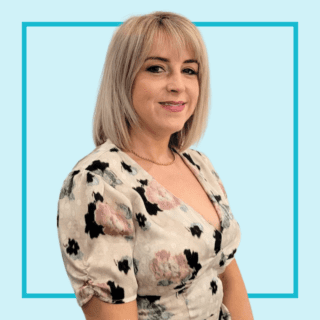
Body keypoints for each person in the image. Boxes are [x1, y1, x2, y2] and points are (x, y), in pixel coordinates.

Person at [57, 11, 254, 320]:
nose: (177, 85)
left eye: (189, 70)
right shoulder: (96, 184)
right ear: (124, 78)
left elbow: (227, 271)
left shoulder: (199, 164)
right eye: (157, 68)